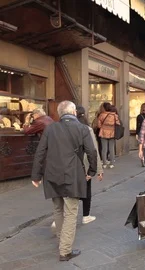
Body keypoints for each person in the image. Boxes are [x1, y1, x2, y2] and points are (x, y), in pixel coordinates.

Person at [31, 101, 97, 261]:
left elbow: (40, 152)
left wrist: (36, 175)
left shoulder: (50, 128)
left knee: (58, 210)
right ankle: (65, 251)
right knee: (70, 213)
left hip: (52, 175)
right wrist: (92, 171)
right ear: (73, 112)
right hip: (72, 174)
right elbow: (91, 151)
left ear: (60, 114)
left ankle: (63, 242)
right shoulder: (82, 129)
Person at [74, 106, 104, 224]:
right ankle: (86, 215)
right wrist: (98, 169)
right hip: (85, 164)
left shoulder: (64, 128)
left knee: (69, 190)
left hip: (69, 165)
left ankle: (62, 217)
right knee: (86, 189)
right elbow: (93, 150)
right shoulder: (87, 129)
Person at [97, 102, 120, 168]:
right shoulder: (114, 115)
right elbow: (118, 123)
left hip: (103, 132)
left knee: (104, 148)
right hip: (112, 133)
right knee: (111, 148)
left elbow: (99, 125)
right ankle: (112, 163)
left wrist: (103, 127)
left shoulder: (101, 115)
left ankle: (104, 163)